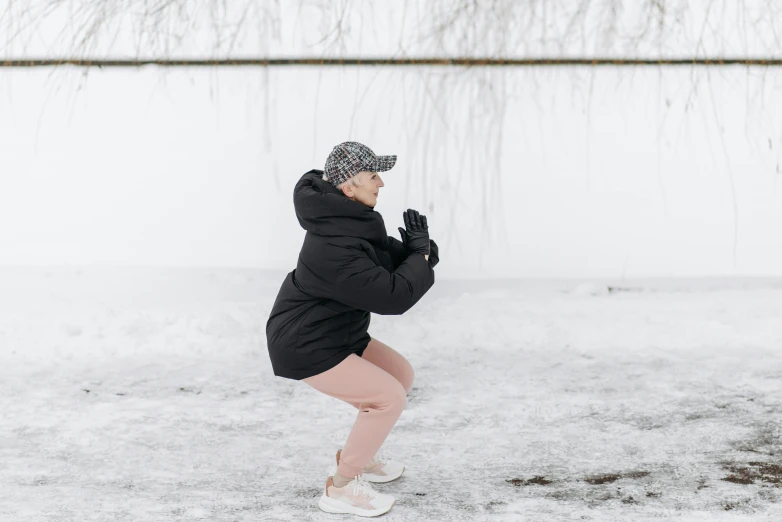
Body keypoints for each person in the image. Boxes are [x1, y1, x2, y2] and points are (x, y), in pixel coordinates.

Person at [265, 141, 439, 517]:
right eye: (373, 175)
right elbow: (394, 296)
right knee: (387, 397)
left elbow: (395, 262)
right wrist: (419, 257)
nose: (381, 183)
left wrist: (420, 250)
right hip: (306, 343)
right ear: (348, 188)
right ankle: (341, 487)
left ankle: (359, 456)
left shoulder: (351, 222)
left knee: (399, 374)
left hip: (336, 333)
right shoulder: (335, 246)